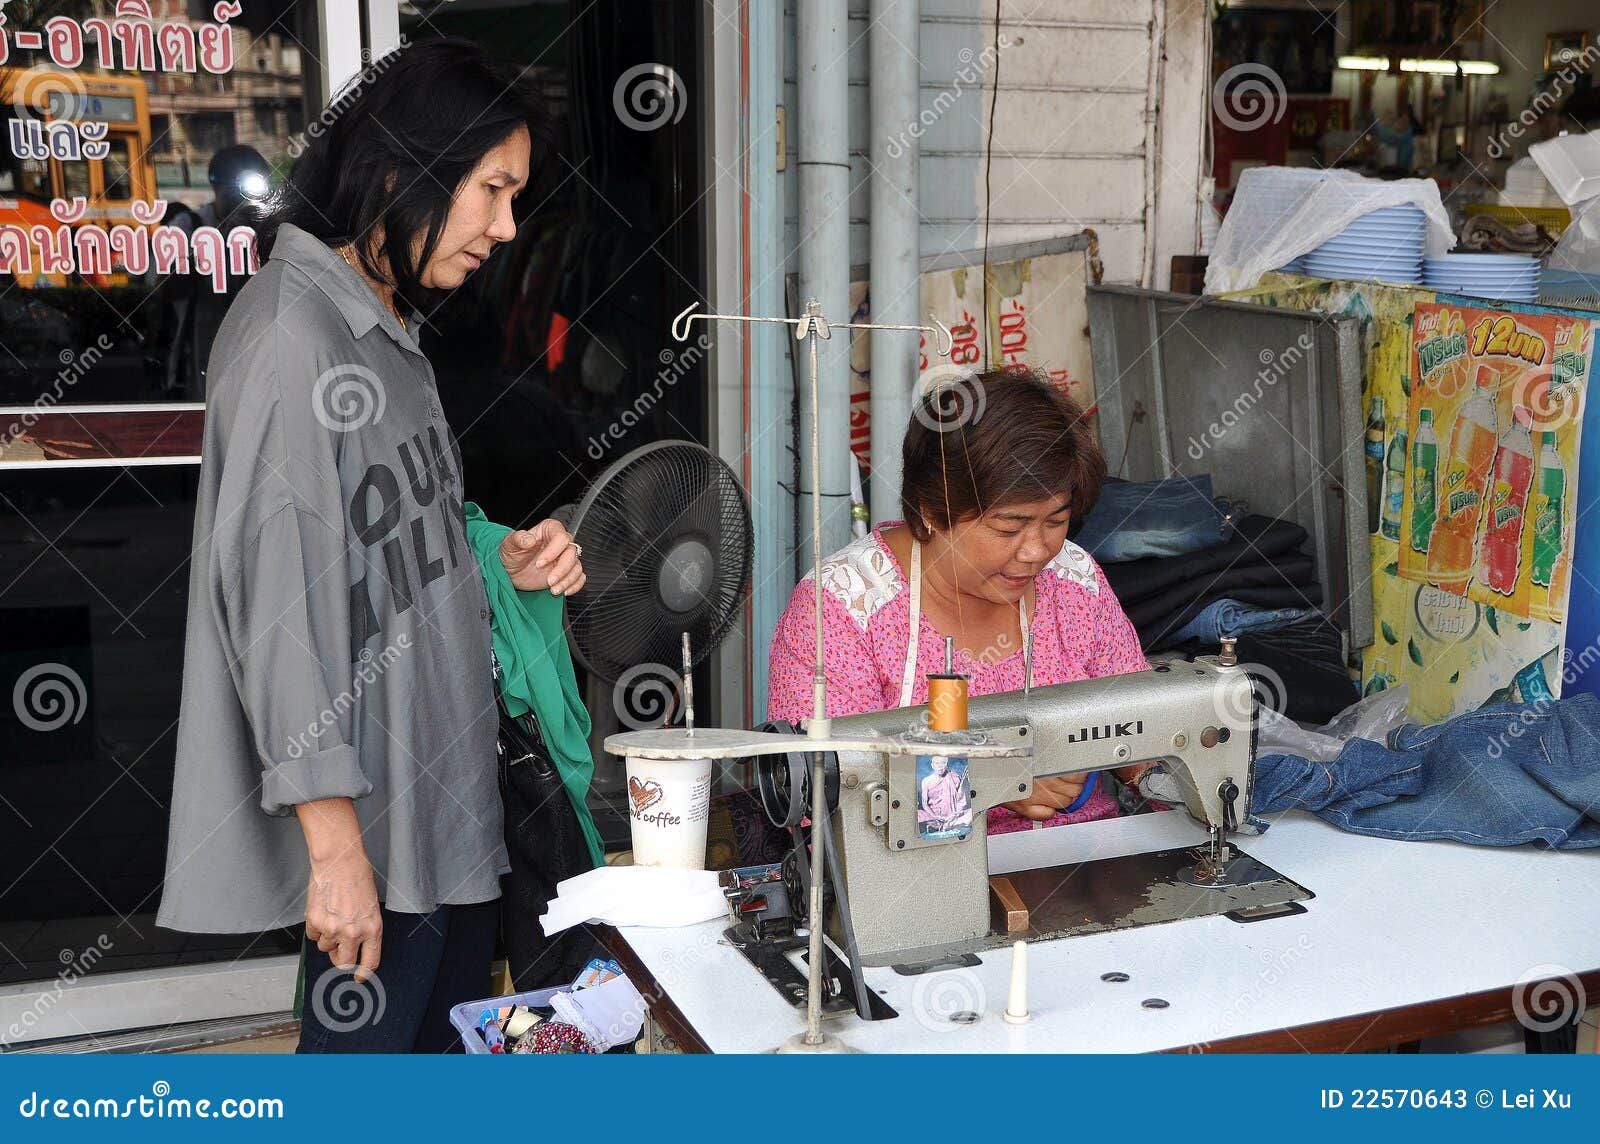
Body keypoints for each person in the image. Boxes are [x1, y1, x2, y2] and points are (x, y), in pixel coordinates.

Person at [155, 39, 586, 1053]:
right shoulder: (290, 335)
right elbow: (279, 608)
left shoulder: (386, 328)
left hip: (449, 825)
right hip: (378, 845)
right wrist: (334, 848)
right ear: (404, 170)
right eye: (492, 189)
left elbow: (408, 540)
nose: (508, 227)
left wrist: (503, 562)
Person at [768, 367, 1150, 833]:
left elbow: (1141, 723)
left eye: (1056, 521)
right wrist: (993, 783)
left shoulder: (1074, 581)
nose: (1036, 552)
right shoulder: (843, 610)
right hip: (911, 884)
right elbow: (819, 795)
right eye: (1008, 527)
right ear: (931, 511)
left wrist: (1161, 773)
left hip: (1080, 865)